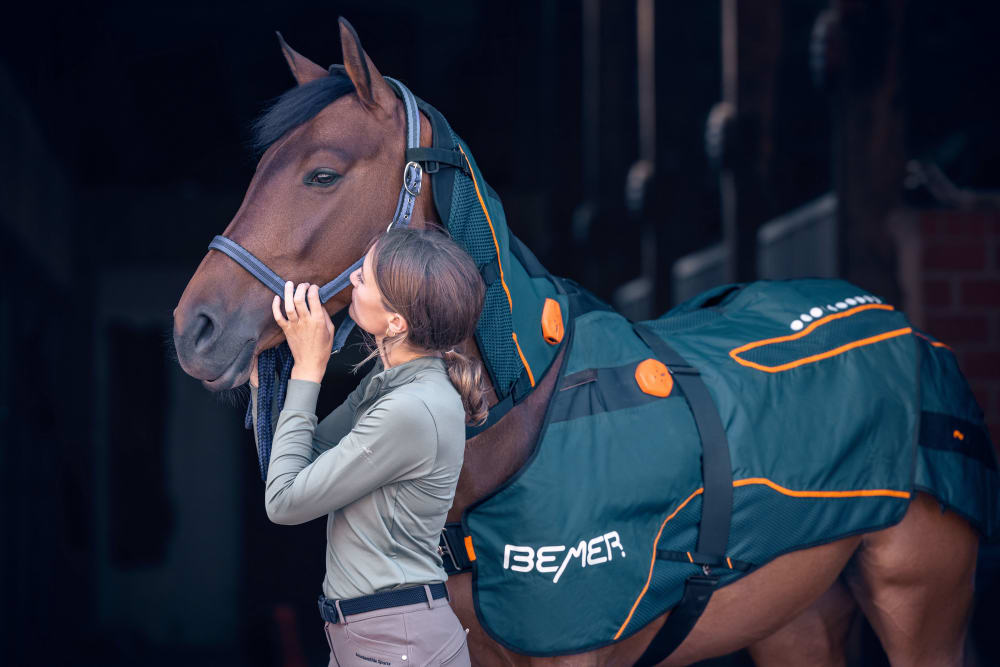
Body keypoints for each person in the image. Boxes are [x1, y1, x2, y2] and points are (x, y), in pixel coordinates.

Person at [249, 228, 487, 667]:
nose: (353, 277)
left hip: (396, 647)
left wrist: (309, 367)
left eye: (367, 277)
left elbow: (284, 501)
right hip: (378, 641)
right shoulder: (391, 386)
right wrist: (283, 374)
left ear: (397, 322)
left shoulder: (411, 409)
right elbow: (310, 453)